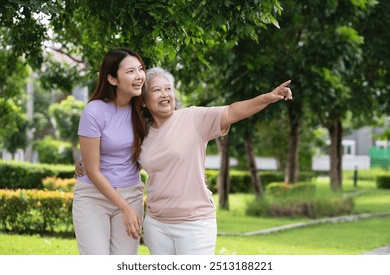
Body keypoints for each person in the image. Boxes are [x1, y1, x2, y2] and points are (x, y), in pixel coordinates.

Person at [75, 66, 292, 255]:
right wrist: (88, 163)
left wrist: (268, 97)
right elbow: (124, 161)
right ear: (143, 101)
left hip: (195, 223)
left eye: (168, 88)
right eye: (157, 90)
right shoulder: (143, 133)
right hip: (156, 224)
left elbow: (233, 111)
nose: (164, 94)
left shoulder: (194, 118)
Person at [73, 48, 147, 255]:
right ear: (113, 79)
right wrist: (125, 208)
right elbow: (93, 170)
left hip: (131, 193)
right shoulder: (94, 111)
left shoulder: (143, 110)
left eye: (140, 69)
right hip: (93, 197)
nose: (139, 76)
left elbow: (157, 149)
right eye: (130, 71)